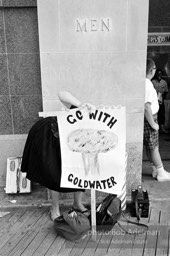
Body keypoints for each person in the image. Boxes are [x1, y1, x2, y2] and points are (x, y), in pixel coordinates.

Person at [21, 91, 94, 220]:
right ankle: (54, 208)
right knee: (54, 172)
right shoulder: (82, 112)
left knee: (81, 171)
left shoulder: (92, 136)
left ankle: (77, 204)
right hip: (48, 135)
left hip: (69, 142)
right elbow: (61, 94)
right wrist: (80, 104)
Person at [144, 58, 170, 181]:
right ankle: (160, 171)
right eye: (155, 68)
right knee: (154, 147)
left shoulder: (144, 82)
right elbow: (146, 106)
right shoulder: (147, 84)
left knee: (150, 147)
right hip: (150, 119)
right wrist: (153, 124)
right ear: (151, 70)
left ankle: (155, 169)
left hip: (149, 118)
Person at [152, 68, 168, 133]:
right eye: (157, 74)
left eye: (160, 74)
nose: (159, 75)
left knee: (162, 114)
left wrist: (162, 97)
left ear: (162, 75)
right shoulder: (152, 82)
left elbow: (166, 91)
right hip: (153, 101)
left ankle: (162, 128)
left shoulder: (164, 82)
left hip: (161, 101)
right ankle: (155, 128)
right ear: (155, 74)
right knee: (154, 114)